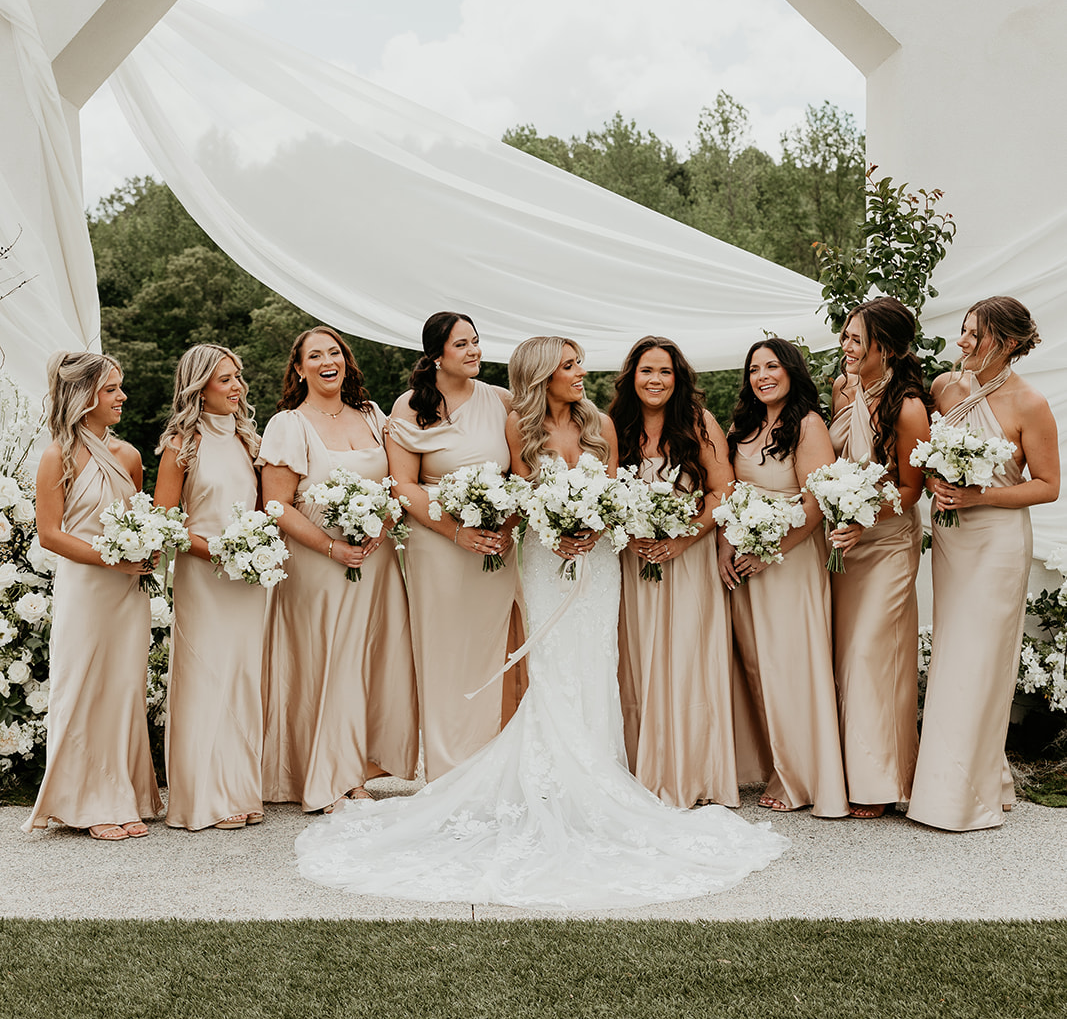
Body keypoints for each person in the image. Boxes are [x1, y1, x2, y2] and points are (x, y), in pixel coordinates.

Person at [294, 336, 788, 907]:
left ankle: (601, 773)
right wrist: (557, 524)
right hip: (545, 557)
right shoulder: (517, 424)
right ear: (543, 375)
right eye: (570, 366)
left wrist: (595, 528)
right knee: (552, 664)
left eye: (579, 364)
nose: (582, 373)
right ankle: (551, 785)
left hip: (598, 559)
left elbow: (613, 488)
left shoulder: (599, 420)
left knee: (597, 657)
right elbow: (525, 488)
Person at [908, 296, 1059, 832]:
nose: (963, 342)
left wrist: (980, 499)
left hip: (996, 542)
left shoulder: (1030, 403)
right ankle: (971, 775)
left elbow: (1047, 486)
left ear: (1010, 343)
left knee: (981, 659)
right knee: (952, 652)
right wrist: (937, 485)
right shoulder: (947, 388)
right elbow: (924, 457)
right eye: (964, 331)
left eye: (975, 335)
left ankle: (960, 797)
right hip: (952, 539)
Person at [258, 326, 418, 813]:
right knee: (329, 660)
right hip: (319, 565)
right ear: (299, 368)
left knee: (371, 657)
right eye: (315, 355)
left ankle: (362, 766)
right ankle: (332, 775)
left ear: (346, 360)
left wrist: (379, 525)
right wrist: (332, 547)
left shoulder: (373, 416)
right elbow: (276, 505)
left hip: (377, 557)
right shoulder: (289, 424)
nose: (327, 361)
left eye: (335, 352)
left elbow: (397, 482)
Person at [24, 352, 162, 840]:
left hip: (129, 591)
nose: (122, 396)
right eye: (111, 389)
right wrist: (111, 559)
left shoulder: (129, 456)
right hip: (86, 588)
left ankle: (123, 795)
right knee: (83, 685)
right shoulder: (55, 455)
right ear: (84, 397)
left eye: (120, 387)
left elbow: (140, 517)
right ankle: (85, 802)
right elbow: (50, 535)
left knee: (124, 686)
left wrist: (147, 549)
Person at [386, 311, 523, 780]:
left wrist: (506, 523)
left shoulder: (503, 400)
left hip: (495, 545)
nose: (474, 351)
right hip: (438, 545)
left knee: (494, 648)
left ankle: (495, 764)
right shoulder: (409, 406)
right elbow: (403, 486)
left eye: (476, 341)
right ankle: (449, 771)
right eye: (462, 344)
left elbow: (522, 473)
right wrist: (456, 531)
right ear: (436, 354)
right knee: (444, 651)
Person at [720, 340, 849, 819]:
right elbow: (731, 489)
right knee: (756, 663)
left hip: (789, 558)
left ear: (792, 370)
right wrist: (729, 545)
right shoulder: (743, 424)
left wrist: (769, 551)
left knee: (791, 662)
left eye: (771, 366)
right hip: (744, 555)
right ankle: (774, 760)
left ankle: (801, 774)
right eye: (754, 368)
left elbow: (816, 504)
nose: (761, 376)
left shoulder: (809, 424)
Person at [610, 336, 740, 807]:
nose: (656, 381)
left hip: (688, 561)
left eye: (665, 372)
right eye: (647, 371)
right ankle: (642, 768)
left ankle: (692, 771)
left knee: (687, 657)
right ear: (633, 377)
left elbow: (723, 490)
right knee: (639, 660)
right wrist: (629, 530)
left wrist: (684, 538)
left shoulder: (697, 423)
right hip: (634, 560)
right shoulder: (614, 427)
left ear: (677, 378)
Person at [154, 344, 266, 831]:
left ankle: (240, 788)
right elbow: (165, 523)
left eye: (238, 377)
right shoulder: (183, 444)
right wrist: (218, 551)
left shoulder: (249, 441)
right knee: (205, 678)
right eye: (225, 380)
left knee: (243, 678)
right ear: (199, 387)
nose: (237, 387)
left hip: (251, 580)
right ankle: (203, 797)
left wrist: (256, 549)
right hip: (204, 576)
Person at [828, 299, 932, 818]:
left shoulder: (908, 407)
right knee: (847, 656)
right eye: (845, 337)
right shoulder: (844, 390)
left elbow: (913, 489)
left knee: (874, 653)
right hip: (846, 540)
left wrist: (861, 516)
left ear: (884, 347)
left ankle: (883, 779)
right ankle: (848, 771)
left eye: (854, 339)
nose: (845, 347)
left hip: (887, 541)